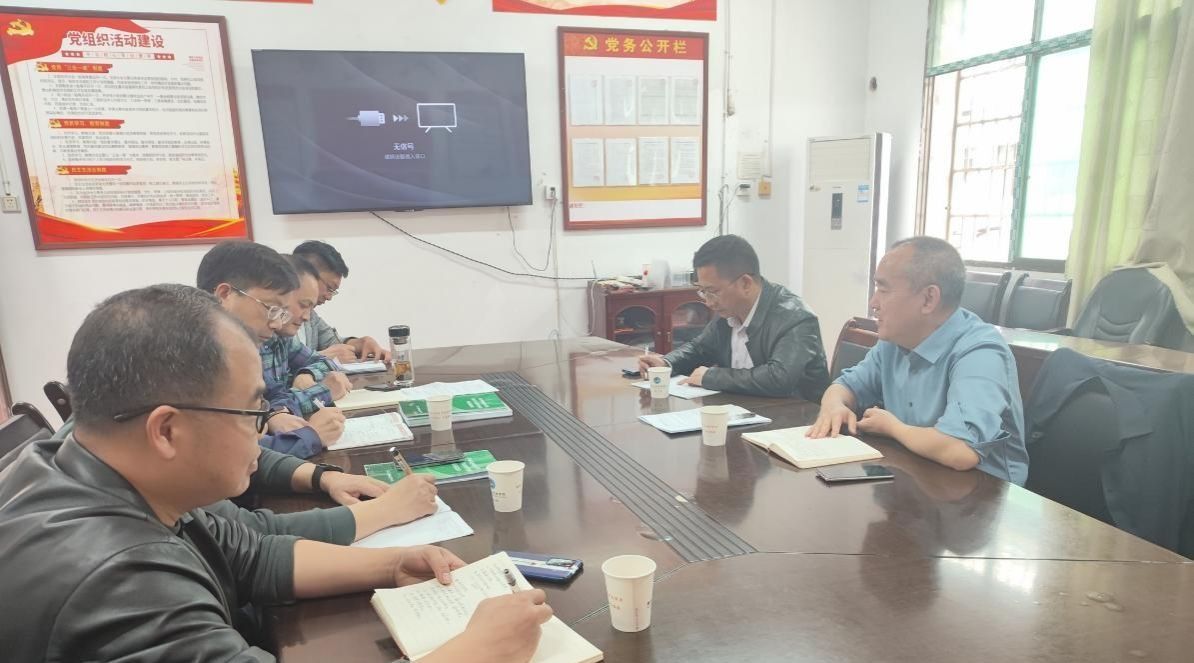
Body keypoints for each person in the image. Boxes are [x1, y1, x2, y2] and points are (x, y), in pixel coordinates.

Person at [0, 284, 552, 661]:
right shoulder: (119, 582)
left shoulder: (90, 460)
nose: (265, 428)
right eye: (251, 410)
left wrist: (392, 563)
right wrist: (479, 650)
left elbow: (251, 556)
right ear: (166, 430)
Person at [808, 236, 1028, 485]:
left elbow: (959, 451)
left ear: (928, 299)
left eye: (883, 290)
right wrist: (834, 406)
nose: (873, 303)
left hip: (983, 494)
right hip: (916, 476)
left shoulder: (980, 352)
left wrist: (893, 428)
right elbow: (844, 386)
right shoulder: (895, 340)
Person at [196, 240, 346, 456]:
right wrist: (310, 436)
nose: (277, 324)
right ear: (225, 295)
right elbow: (231, 453)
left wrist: (275, 412)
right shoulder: (195, 357)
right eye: (271, 308)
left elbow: (273, 394)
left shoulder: (245, 347)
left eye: (282, 311)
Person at [638, 234, 830, 400]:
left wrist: (712, 377)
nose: (708, 302)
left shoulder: (795, 318)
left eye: (712, 291)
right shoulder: (728, 312)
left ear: (745, 283)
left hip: (797, 421)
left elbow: (779, 378)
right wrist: (666, 363)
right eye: (702, 291)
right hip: (744, 412)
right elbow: (700, 348)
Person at [293, 240, 389, 362]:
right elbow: (281, 364)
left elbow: (331, 341)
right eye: (329, 288)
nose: (329, 297)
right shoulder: (276, 316)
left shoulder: (311, 315)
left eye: (333, 291)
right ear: (305, 276)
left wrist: (360, 344)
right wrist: (323, 357)